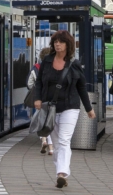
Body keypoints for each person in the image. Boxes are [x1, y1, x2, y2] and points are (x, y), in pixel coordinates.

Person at [34, 31, 96, 189]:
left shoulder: (74, 64)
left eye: (61, 42)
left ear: (68, 45)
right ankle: (62, 173)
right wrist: (38, 98)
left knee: (64, 140)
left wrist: (89, 108)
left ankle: (61, 173)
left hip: (70, 107)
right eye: (55, 41)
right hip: (50, 108)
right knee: (56, 144)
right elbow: (39, 82)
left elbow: (81, 87)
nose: (57, 44)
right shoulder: (47, 61)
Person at [29, 47, 54, 156]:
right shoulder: (56, 66)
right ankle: (51, 148)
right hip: (52, 99)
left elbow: (29, 84)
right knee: (50, 122)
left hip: (40, 99)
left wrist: (37, 90)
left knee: (42, 121)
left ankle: (43, 140)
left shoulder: (36, 68)